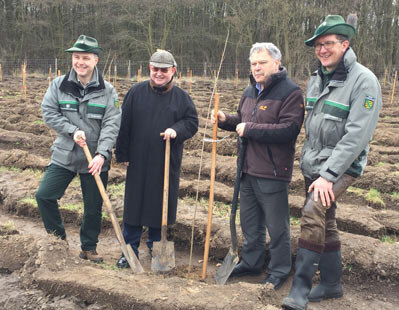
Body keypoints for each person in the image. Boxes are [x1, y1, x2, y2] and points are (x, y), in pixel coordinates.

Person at [282, 15, 382, 310]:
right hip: (314, 163)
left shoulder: (364, 81)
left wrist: (327, 174)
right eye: (318, 45)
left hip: (341, 167)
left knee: (313, 211)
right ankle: (331, 283)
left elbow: (357, 136)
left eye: (328, 44)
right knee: (326, 219)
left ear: (345, 44)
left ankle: (300, 288)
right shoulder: (317, 78)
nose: (322, 50)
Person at [212, 42, 304, 290]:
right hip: (247, 170)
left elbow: (288, 130)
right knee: (250, 224)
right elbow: (243, 121)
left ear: (276, 62)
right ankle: (252, 263)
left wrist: (249, 129)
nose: (256, 67)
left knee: (277, 227)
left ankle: (279, 270)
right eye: (253, 63)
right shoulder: (250, 91)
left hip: (273, 172)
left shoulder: (290, 92)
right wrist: (226, 121)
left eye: (262, 62)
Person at [36, 35, 121, 263]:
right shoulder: (58, 85)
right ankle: (58, 242)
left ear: (95, 60)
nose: (80, 62)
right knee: (44, 195)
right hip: (65, 153)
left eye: (85, 57)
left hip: (94, 158)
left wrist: (102, 154)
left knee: (93, 207)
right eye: (76, 57)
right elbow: (49, 113)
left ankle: (88, 248)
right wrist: (72, 130)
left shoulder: (107, 91)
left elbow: (112, 124)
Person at [115, 49, 198, 268]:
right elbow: (125, 125)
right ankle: (129, 250)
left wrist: (176, 130)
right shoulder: (135, 92)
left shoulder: (182, 98)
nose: (159, 73)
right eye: (155, 69)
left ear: (173, 71)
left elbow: (191, 122)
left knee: (158, 204)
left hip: (165, 161)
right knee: (134, 205)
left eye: (164, 70)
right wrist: (122, 153)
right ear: (149, 69)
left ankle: (155, 246)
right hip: (138, 159)